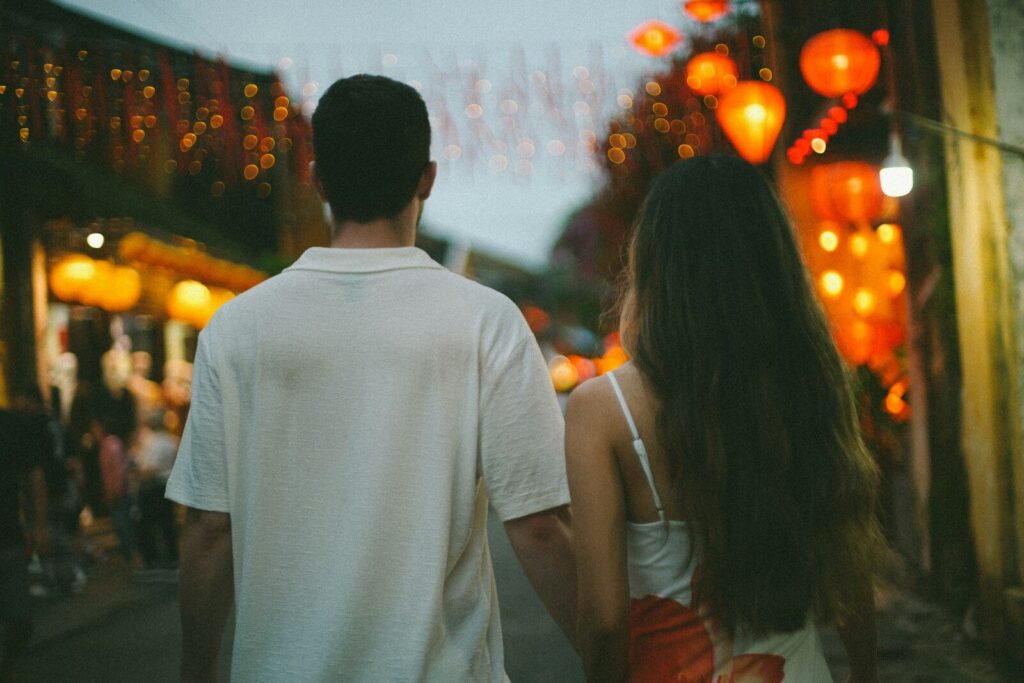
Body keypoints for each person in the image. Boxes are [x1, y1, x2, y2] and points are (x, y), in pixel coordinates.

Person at [167, 74, 576, 682]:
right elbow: (539, 526)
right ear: (427, 179)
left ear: (318, 180)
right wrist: (612, 656)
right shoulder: (485, 322)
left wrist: (196, 668)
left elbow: (208, 528)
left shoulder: (236, 328)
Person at [565, 156, 882, 682]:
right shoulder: (809, 382)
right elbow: (850, 562)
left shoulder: (602, 410)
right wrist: (865, 674)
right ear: (773, 263)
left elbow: (603, 619)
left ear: (653, 264)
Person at [0, 386, 50, 683]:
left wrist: (39, 525)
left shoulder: (10, 424)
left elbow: (33, 475)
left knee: (20, 618)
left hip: (8, 535)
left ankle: (6, 667)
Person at [132, 408, 179, 573]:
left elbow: (150, 469)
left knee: (147, 524)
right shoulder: (172, 441)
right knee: (167, 523)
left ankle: (153, 561)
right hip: (167, 485)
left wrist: (137, 474)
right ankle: (172, 557)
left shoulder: (154, 443)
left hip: (153, 487)